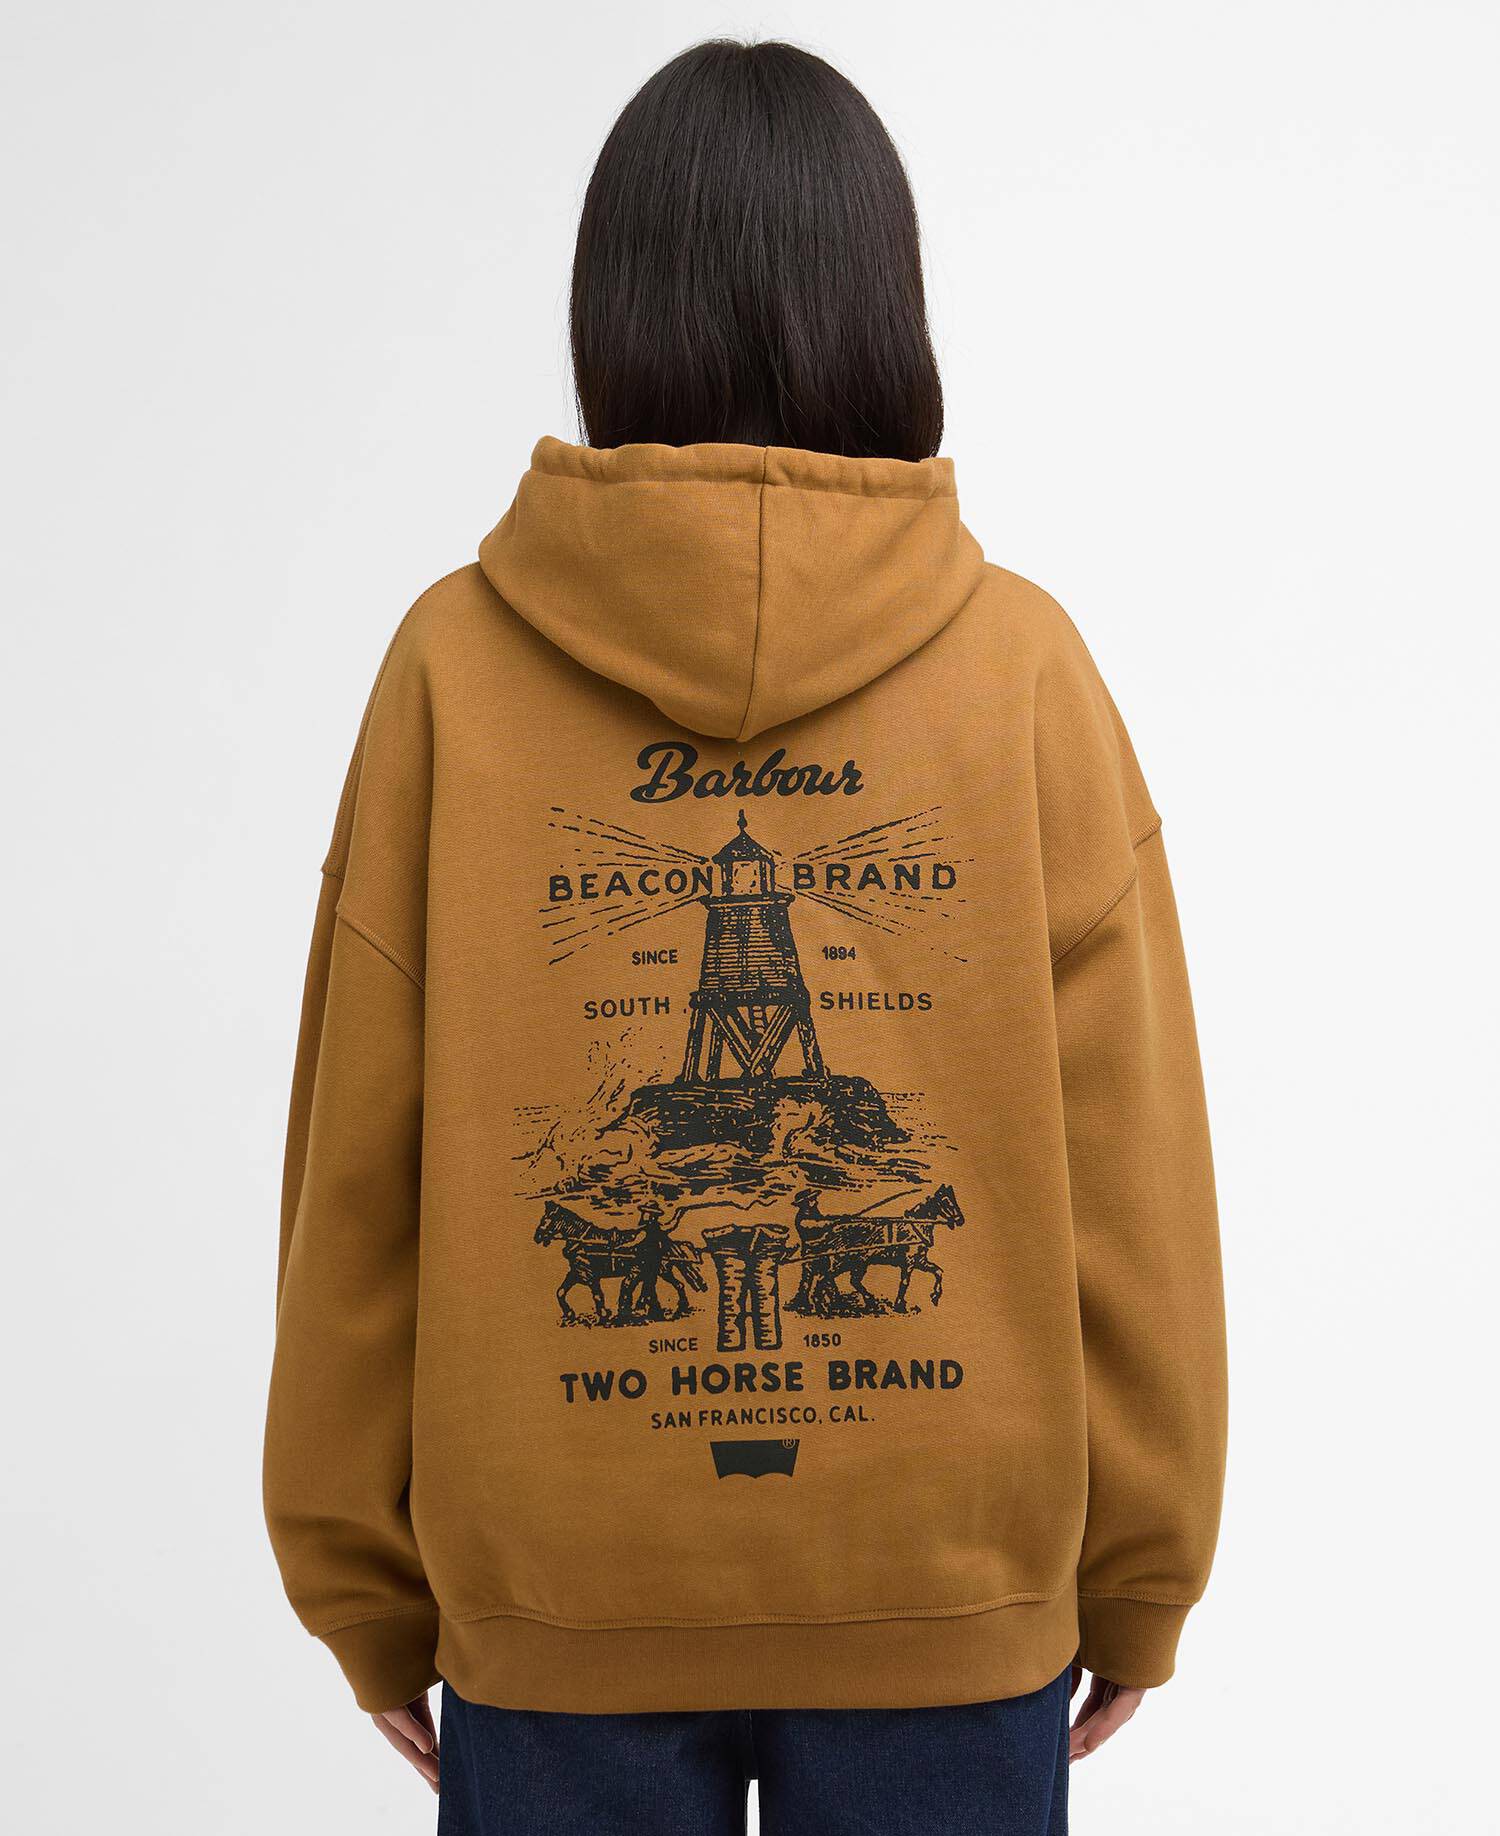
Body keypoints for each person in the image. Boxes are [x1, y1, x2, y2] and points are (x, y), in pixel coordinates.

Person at [264, 38, 1227, 1835]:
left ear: (609, 305)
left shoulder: (451, 669)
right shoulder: (1025, 670)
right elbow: (1134, 1174)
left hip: (557, 1600)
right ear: (887, 302)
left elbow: (355, 1179)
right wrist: (1144, 1572)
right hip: (949, 1588)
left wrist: (358, 1584)